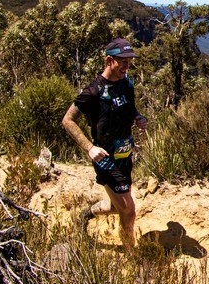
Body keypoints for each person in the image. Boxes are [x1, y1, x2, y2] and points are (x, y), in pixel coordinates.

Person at [62, 37, 149, 254]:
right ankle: (131, 256)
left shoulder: (127, 84)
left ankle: (86, 214)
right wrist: (89, 147)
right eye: (123, 61)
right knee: (128, 211)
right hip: (106, 158)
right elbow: (67, 120)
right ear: (109, 60)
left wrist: (139, 118)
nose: (127, 66)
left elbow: (130, 109)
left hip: (125, 155)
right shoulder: (93, 91)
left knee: (116, 206)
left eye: (130, 61)